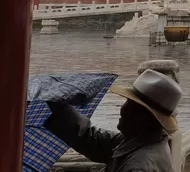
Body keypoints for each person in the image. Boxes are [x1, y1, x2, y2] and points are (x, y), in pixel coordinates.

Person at [44, 69, 182, 171]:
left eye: (131, 105)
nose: (122, 109)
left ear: (145, 118)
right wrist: (54, 103)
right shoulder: (141, 141)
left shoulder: (139, 166)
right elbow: (90, 138)